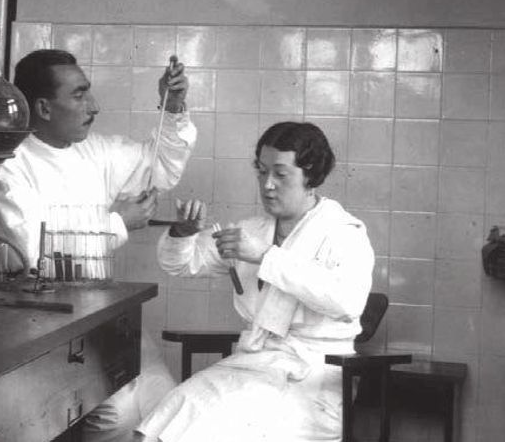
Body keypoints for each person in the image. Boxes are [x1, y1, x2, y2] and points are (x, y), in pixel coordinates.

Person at [0, 49, 197, 442]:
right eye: (79, 95)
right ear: (43, 108)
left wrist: (174, 106)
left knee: (166, 399)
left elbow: (159, 168)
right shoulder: (10, 168)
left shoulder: (94, 151)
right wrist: (117, 223)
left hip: (100, 312)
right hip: (40, 325)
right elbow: (34, 254)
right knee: (118, 416)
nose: (93, 106)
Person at [136, 122, 374, 442]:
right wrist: (183, 233)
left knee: (210, 431)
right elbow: (180, 265)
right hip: (249, 367)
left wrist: (266, 257)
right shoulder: (252, 231)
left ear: (311, 175)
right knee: (161, 425)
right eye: (261, 172)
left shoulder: (344, 232)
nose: (267, 185)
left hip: (311, 383)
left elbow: (347, 301)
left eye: (280, 173)